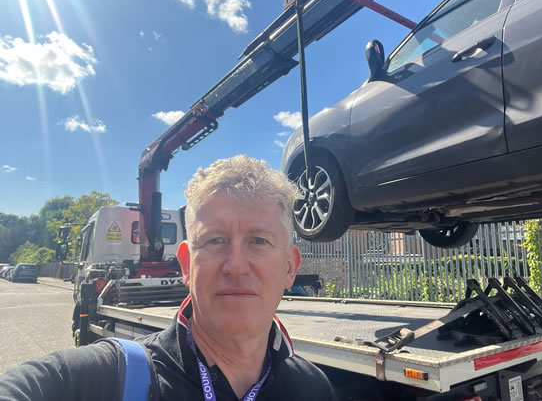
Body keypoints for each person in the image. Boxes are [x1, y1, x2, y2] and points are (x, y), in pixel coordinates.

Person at [0, 155, 335, 401]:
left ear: (289, 267)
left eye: (259, 241)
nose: (236, 266)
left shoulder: (314, 389)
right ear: (186, 265)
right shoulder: (114, 378)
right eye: (215, 240)